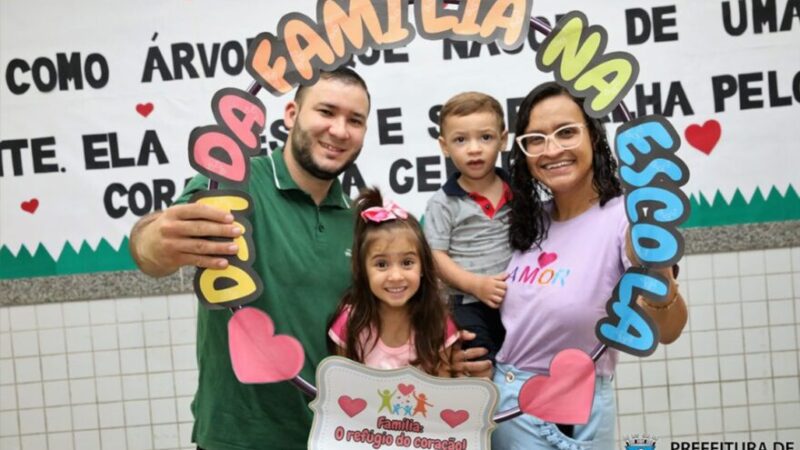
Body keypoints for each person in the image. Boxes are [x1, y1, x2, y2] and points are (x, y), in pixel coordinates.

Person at [129, 67, 371, 449]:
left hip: (337, 436)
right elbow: (151, 249)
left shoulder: (362, 223)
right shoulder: (234, 184)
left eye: (354, 120)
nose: (339, 130)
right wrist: (155, 241)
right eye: (326, 111)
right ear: (292, 114)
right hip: (239, 438)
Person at [491, 82, 688, 449]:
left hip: (574, 409)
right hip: (507, 406)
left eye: (566, 132)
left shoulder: (627, 218)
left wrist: (658, 272)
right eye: (536, 139)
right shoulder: (526, 223)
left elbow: (668, 331)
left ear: (594, 136)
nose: (552, 150)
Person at [328, 188, 459, 377]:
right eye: (381, 264)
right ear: (363, 270)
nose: (396, 276)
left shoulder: (438, 324)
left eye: (407, 263)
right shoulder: (349, 325)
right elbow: (342, 386)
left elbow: (443, 388)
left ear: (423, 266)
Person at [423, 92, 512, 365]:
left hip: (516, 298)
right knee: (480, 363)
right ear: (444, 146)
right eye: (461, 140)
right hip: (466, 303)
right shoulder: (442, 202)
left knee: (520, 363)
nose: (474, 149)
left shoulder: (519, 190)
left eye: (485, 137)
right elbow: (435, 257)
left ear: (503, 140)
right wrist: (476, 285)